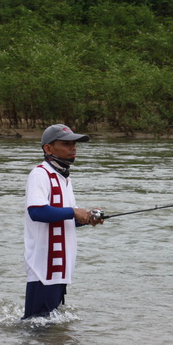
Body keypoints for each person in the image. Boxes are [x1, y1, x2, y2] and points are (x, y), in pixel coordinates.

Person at [22, 123, 103, 319]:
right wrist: (74, 212)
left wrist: (86, 218)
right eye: (66, 144)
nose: (73, 148)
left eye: (74, 144)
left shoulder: (64, 178)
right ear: (48, 148)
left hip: (59, 268)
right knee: (37, 327)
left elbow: (65, 219)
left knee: (49, 330)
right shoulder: (40, 174)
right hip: (44, 268)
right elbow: (37, 212)